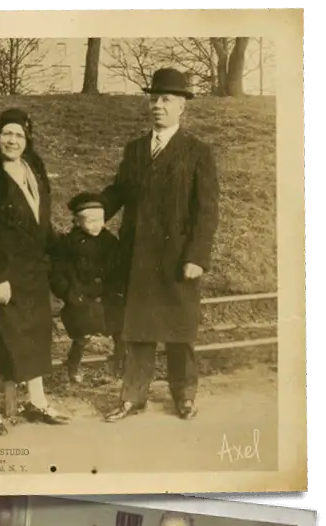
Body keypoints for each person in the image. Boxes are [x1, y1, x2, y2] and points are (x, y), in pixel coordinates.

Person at [100, 68, 219, 423]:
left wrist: (197, 256)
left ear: (182, 107)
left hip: (178, 258)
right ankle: (132, 398)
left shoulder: (198, 152)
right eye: (154, 99)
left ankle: (183, 396)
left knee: (179, 331)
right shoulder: (135, 150)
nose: (158, 106)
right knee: (137, 330)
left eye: (166, 100)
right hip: (137, 256)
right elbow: (119, 191)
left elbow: (207, 211)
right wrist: (93, 210)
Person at [0, 107, 70, 435]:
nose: (12, 140)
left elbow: (40, 222)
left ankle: (36, 401)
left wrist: (60, 251)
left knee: (36, 333)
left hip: (32, 270)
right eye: (6, 134)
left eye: (19, 135)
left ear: (28, 140)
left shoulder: (32, 168)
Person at [49, 192, 126, 384]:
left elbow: (119, 270)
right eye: (89, 221)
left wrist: (117, 290)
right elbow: (57, 273)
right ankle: (73, 366)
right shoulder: (68, 244)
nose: (95, 225)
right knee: (83, 333)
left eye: (99, 220)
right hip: (81, 296)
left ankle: (120, 365)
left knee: (121, 329)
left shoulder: (110, 242)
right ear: (77, 221)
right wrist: (68, 293)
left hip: (108, 296)